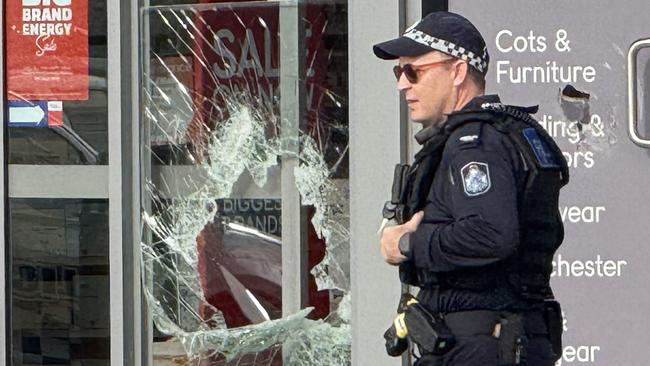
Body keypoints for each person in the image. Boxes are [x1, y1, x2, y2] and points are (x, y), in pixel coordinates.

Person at [375, 12, 568, 366]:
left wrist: (405, 243)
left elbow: (491, 233)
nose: (402, 84)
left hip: (479, 347)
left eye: (413, 71)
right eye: (398, 72)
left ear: (458, 71)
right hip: (493, 340)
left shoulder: (474, 144)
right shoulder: (499, 133)